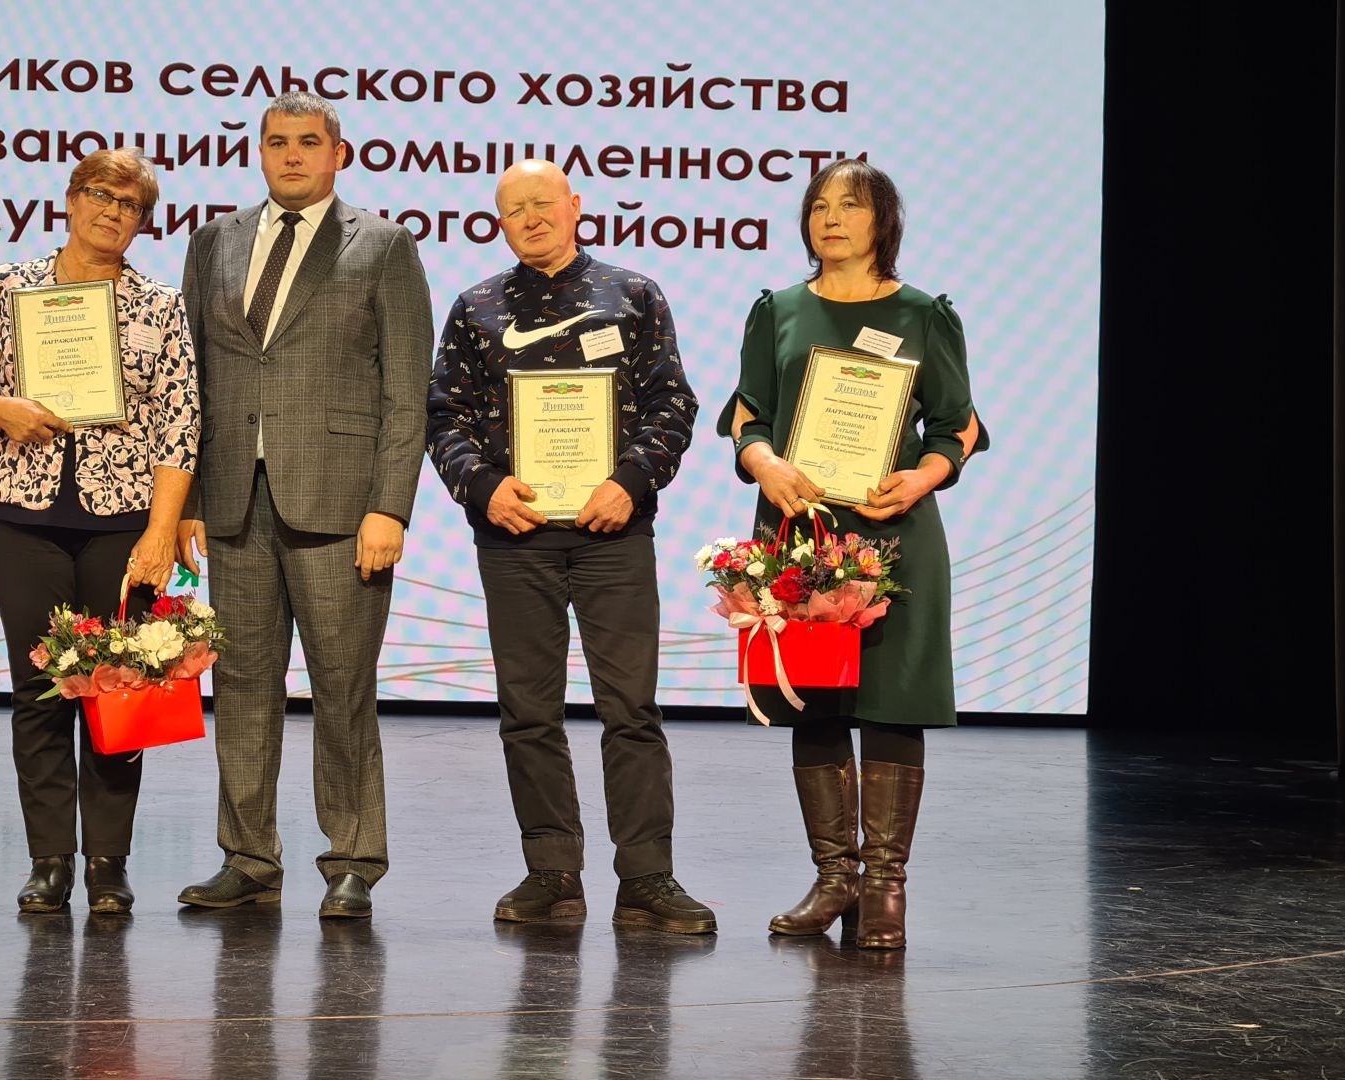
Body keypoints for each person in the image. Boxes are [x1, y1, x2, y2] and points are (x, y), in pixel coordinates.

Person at [426, 160, 714, 934]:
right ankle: (551, 873)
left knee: (631, 711)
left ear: (575, 205)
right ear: (499, 221)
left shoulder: (633, 294)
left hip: (613, 532)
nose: (530, 217)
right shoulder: (476, 307)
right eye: (513, 208)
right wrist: (482, 487)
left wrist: (629, 480)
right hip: (514, 536)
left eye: (542, 203)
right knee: (528, 712)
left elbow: (672, 403)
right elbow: (443, 415)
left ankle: (648, 877)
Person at [173, 92, 433, 919]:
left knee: (342, 686)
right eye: (277, 143)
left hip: (341, 503)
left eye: (308, 143)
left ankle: (353, 857)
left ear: (338, 155)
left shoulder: (384, 246)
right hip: (231, 501)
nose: (291, 156)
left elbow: (406, 393)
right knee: (244, 683)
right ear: (259, 151)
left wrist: (390, 507)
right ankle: (248, 856)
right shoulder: (214, 241)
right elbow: (193, 384)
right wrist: (181, 502)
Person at [718, 158, 987, 949]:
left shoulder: (923, 314)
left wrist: (923, 477)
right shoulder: (779, 310)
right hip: (800, 531)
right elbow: (747, 414)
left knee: (894, 702)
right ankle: (834, 879)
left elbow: (958, 425)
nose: (831, 218)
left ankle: (884, 889)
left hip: (893, 532)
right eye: (819, 205)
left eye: (851, 206)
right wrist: (763, 461)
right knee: (818, 697)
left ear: (883, 223)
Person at [0, 148, 199, 916]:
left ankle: (109, 865)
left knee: (121, 693)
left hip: (123, 523)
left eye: (129, 205)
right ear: (70, 198)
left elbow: (182, 427)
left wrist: (160, 534)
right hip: (24, 515)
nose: (113, 212)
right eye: (100, 195)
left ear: (142, 222)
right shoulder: (11, 285)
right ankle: (49, 859)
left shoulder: (159, 305)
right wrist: (2, 410)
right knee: (41, 691)